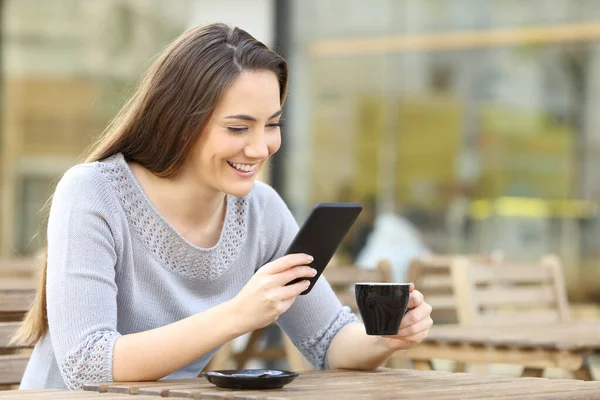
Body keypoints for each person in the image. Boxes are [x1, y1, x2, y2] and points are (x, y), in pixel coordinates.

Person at [14, 23, 433, 391]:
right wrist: (237, 315)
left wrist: (385, 337)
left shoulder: (260, 211)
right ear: (178, 121)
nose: (260, 147)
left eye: (272, 124)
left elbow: (330, 342)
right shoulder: (93, 193)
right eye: (238, 127)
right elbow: (86, 367)